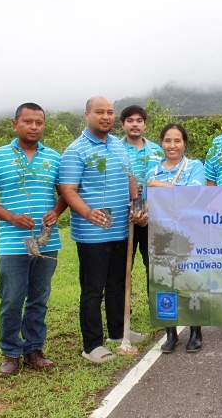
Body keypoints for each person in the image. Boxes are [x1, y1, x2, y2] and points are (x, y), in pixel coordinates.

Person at [0, 103, 67, 377]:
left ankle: (34, 349)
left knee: (39, 299)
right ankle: (10, 352)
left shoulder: (54, 157)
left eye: (39, 122)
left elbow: (67, 192)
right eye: (28, 121)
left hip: (47, 242)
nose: (34, 127)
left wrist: (56, 211)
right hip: (12, 243)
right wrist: (11, 217)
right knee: (12, 299)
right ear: (15, 124)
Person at [59, 96, 146, 365]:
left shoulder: (119, 148)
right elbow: (67, 190)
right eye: (100, 112)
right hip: (92, 233)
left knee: (117, 284)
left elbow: (131, 178)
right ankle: (92, 344)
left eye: (110, 112)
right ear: (87, 115)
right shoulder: (76, 150)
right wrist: (87, 213)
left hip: (120, 228)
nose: (106, 117)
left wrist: (138, 206)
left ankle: (119, 332)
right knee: (93, 288)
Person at [145, 123, 206, 352]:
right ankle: (170, 333)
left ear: (184, 143)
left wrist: (158, 186)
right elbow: (147, 202)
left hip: (189, 234)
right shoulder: (151, 169)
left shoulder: (194, 166)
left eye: (177, 140)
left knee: (191, 282)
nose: (172, 145)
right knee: (164, 283)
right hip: (160, 235)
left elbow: (191, 196)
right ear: (161, 143)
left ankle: (196, 332)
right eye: (168, 140)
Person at [120, 105, 164, 286]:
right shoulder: (115, 150)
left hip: (151, 217)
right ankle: (122, 311)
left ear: (145, 124)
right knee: (121, 266)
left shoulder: (157, 152)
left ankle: (156, 308)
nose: (135, 125)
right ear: (122, 125)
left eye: (139, 121)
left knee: (153, 264)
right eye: (130, 121)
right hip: (124, 217)